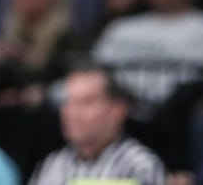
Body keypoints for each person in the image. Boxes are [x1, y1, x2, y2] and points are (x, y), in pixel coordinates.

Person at [27, 66, 166, 185]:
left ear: (118, 110)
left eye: (86, 102)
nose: (73, 113)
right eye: (69, 102)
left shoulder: (139, 166)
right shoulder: (53, 165)